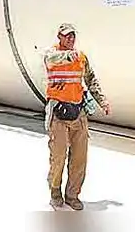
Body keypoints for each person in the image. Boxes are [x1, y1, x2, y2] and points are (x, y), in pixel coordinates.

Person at [43, 23, 110, 211]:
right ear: (59, 37)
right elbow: (50, 59)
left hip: (78, 113)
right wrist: (68, 55)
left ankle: (72, 195)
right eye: (66, 35)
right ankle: (55, 191)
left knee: (79, 158)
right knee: (58, 157)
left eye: (73, 35)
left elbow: (91, 79)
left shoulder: (81, 57)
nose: (71, 39)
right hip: (58, 113)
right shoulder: (52, 54)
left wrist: (102, 101)